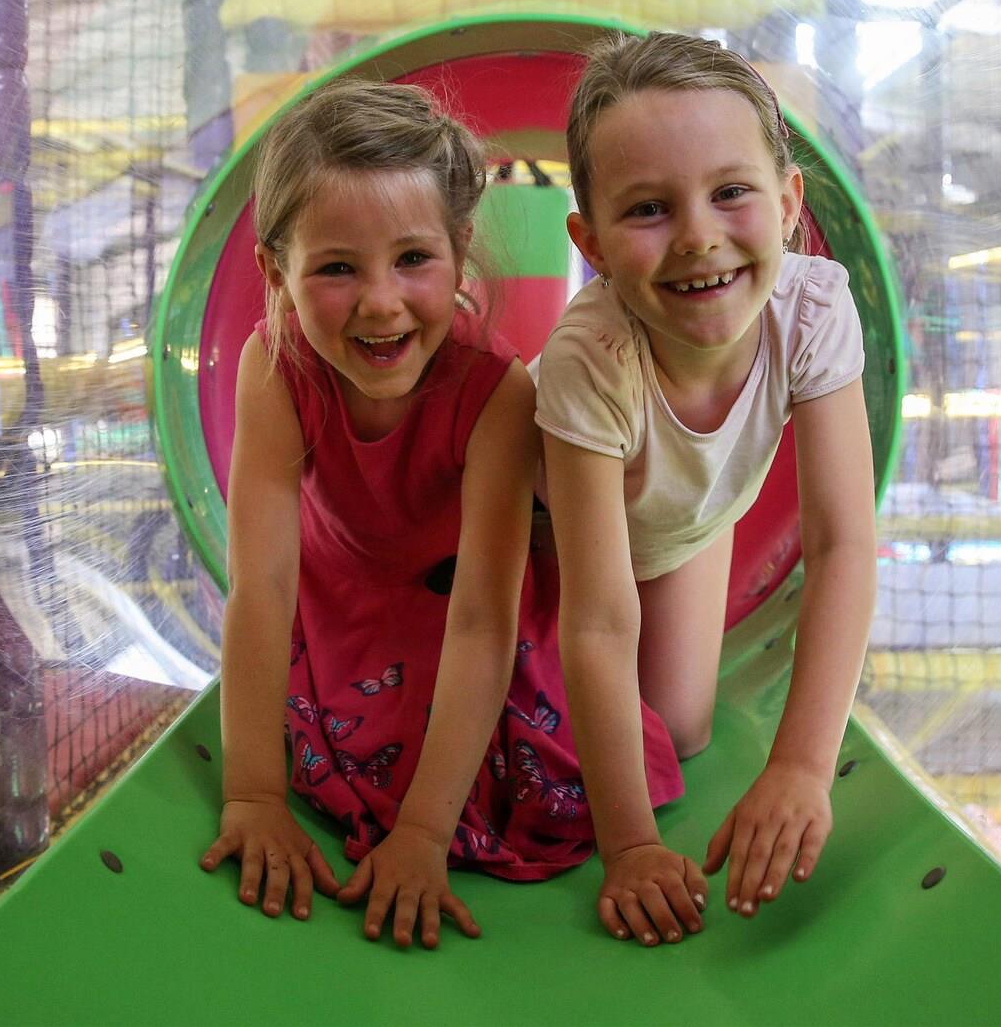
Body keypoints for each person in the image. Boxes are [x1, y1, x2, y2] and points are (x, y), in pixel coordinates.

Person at [200, 79, 681, 950]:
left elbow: (483, 619)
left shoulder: (496, 391)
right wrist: (254, 793)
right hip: (343, 608)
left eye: (413, 259)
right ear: (276, 272)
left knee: (540, 773)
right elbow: (261, 585)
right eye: (337, 268)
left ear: (461, 253)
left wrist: (423, 830)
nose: (381, 302)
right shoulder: (275, 366)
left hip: (469, 614)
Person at [535, 32, 878, 947]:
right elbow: (598, 619)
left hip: (689, 523)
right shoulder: (589, 359)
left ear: (789, 203)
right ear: (591, 244)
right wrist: (630, 847)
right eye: (649, 208)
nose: (697, 236)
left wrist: (801, 764)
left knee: (679, 733)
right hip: (545, 544)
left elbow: (842, 541)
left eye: (731, 192)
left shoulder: (813, 309)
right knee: (551, 769)